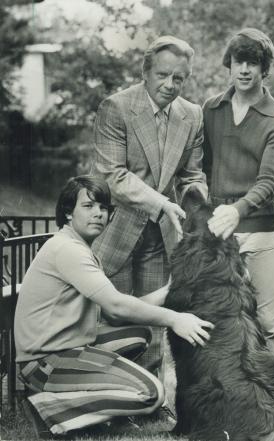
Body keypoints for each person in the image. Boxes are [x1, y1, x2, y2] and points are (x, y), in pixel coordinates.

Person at [14, 175, 213, 439]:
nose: (98, 214)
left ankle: (80, 401)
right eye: (88, 206)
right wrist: (176, 319)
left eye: (103, 208)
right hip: (44, 364)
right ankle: (50, 407)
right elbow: (117, 306)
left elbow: (111, 312)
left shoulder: (76, 245)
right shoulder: (67, 250)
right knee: (151, 393)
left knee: (139, 334)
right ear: (68, 212)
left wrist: (169, 292)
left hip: (63, 349)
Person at [91, 35, 208, 376]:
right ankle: (112, 396)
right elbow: (113, 175)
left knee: (155, 323)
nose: (171, 85)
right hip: (115, 232)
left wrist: (200, 209)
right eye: (163, 75)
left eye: (179, 78)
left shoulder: (193, 115)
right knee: (115, 320)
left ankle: (151, 403)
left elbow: (192, 176)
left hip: (159, 237)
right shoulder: (116, 107)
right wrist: (161, 202)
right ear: (146, 71)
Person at [203, 28, 274, 364]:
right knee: (220, 319)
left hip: (262, 231)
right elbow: (203, 168)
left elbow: (270, 181)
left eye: (252, 63)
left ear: (264, 69)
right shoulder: (211, 109)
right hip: (219, 232)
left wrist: (237, 210)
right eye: (238, 61)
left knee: (272, 320)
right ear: (228, 65)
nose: (244, 69)